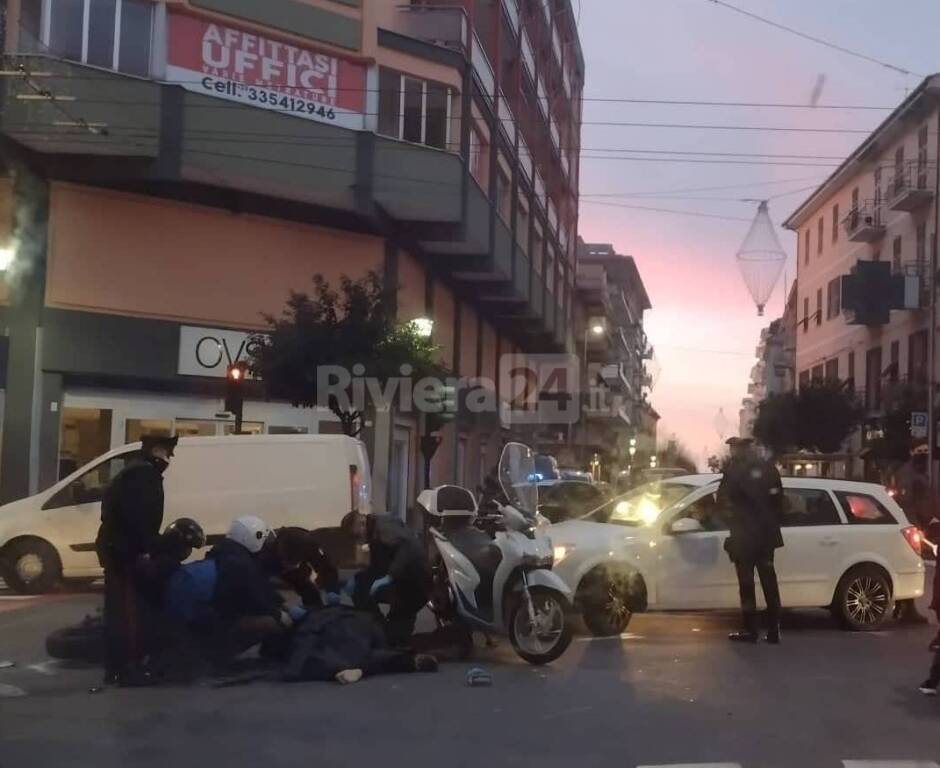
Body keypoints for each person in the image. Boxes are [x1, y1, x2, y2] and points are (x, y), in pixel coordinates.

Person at [95, 434, 178, 686]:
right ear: (155, 450)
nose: (169, 458)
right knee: (128, 612)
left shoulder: (131, 472)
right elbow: (139, 519)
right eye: (167, 452)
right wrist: (146, 548)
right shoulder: (144, 476)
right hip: (125, 552)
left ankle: (116, 668)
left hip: (115, 549)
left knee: (118, 610)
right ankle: (127, 669)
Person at [717, 437, 784, 645]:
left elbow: (722, 502)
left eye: (733, 449)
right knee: (769, 583)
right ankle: (774, 630)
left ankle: (750, 630)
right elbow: (779, 499)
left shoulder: (734, 472)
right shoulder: (769, 469)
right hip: (765, 537)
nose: (731, 453)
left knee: (746, 585)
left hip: (744, 538)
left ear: (738, 450)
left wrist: (731, 521)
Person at [202, 516, 295, 664]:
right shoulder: (240, 564)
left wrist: (279, 603)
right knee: (278, 623)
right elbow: (257, 600)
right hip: (222, 624)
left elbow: (258, 588)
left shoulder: (223, 553)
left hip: (211, 619)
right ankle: (274, 656)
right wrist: (280, 613)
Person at [340, 510, 431, 647]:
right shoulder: (376, 534)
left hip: (412, 585)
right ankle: (378, 627)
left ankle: (385, 630)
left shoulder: (384, 527)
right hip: (404, 582)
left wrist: (390, 576)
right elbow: (378, 567)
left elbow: (408, 547)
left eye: (356, 536)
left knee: (395, 639)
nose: (358, 541)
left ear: (362, 524)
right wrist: (357, 578)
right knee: (360, 587)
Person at [258, 527, 341, 608]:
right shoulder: (263, 551)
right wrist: (284, 606)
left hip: (298, 559)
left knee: (310, 591)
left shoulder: (309, 544)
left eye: (294, 563)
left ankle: (315, 611)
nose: (291, 566)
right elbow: (257, 586)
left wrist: (332, 590)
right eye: (289, 563)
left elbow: (327, 568)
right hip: (271, 566)